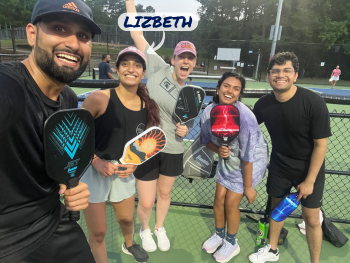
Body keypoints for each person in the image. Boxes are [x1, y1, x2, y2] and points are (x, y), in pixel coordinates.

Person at [0, 0, 101, 262]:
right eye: (59, 28)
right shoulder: (9, 88)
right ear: (32, 34)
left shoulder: (67, 98)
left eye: (83, 36)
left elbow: (53, 163)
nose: (74, 44)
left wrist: (69, 186)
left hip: (54, 221)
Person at [125, 0, 196, 252]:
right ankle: (144, 229)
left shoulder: (192, 92)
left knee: (164, 195)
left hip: (174, 149)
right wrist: (129, 2)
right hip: (149, 145)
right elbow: (136, 32)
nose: (185, 61)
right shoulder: (157, 67)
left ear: (194, 63)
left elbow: (187, 123)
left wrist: (185, 130)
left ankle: (159, 227)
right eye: (181, 57)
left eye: (190, 58)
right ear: (174, 59)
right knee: (145, 200)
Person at [81, 46, 161, 263]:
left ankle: (129, 244)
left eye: (137, 65)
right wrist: (96, 161)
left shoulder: (147, 106)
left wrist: (134, 164)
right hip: (93, 171)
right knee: (98, 233)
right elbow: (76, 139)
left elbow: (142, 145)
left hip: (125, 173)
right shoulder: (98, 99)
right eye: (125, 64)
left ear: (143, 72)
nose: (130, 69)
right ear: (116, 69)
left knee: (126, 220)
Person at [249, 52, 331, 263]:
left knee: (311, 219)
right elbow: (246, 129)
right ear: (268, 77)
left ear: (295, 76)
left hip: (309, 168)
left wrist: (309, 181)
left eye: (286, 71)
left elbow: (321, 145)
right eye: (275, 71)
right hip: (279, 165)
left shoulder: (314, 103)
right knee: (278, 211)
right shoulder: (263, 105)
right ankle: (272, 249)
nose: (280, 75)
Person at [200, 72, 268, 262]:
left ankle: (232, 242)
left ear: (240, 94)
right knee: (218, 199)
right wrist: (218, 149)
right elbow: (206, 141)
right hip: (229, 161)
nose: (230, 91)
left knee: (231, 203)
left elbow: (248, 154)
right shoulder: (209, 112)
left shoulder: (245, 117)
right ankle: (219, 235)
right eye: (226, 86)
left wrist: (248, 187)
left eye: (236, 89)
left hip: (250, 162)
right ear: (219, 87)